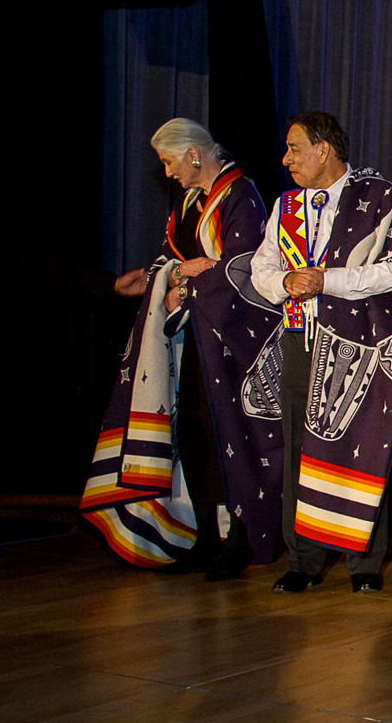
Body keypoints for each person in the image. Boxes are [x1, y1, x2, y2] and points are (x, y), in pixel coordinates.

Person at [83, 119, 285, 580]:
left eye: (170, 162)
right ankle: (201, 536)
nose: (169, 173)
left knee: (230, 437)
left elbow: (245, 266)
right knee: (193, 433)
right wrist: (171, 277)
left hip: (232, 343)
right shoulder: (189, 202)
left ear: (194, 154)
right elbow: (172, 259)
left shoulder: (242, 195)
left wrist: (194, 281)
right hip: (192, 341)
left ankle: (240, 538)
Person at [246, 112, 392, 593]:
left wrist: (328, 280)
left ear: (323, 149)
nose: (286, 159)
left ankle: (364, 563)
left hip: (360, 344)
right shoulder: (286, 206)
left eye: (294, 148)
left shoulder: (379, 197)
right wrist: (284, 281)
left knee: (361, 445)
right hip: (299, 339)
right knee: (299, 449)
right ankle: (302, 560)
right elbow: (260, 268)